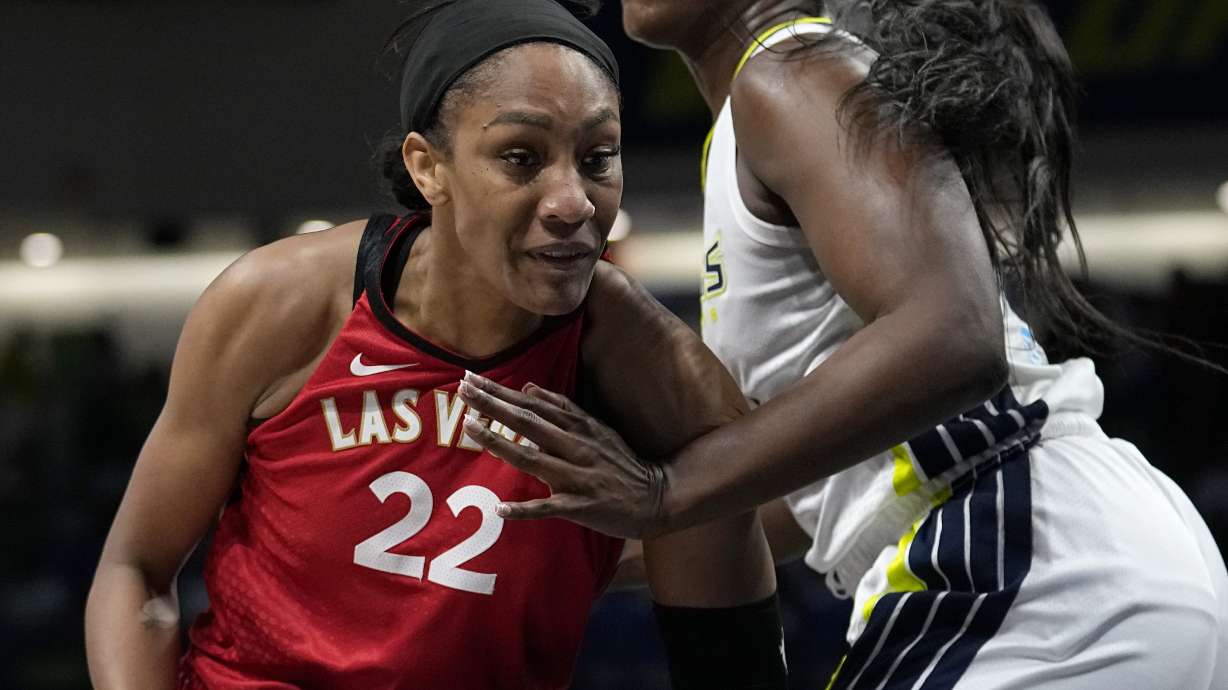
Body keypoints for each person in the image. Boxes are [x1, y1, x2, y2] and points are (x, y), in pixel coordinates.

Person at [457, 1, 1228, 687]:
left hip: (1024, 556)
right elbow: (808, 497)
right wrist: (564, 554)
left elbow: (955, 334)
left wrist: (667, 490)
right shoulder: (764, 108)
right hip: (1059, 556)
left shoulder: (791, 73)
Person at [84, 1, 786, 688]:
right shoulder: (279, 304)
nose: (572, 202)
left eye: (598, 157)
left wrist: (635, 527)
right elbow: (134, 572)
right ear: (427, 167)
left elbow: (747, 583)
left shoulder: (645, 362)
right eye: (521, 158)